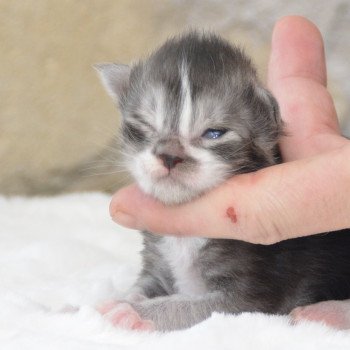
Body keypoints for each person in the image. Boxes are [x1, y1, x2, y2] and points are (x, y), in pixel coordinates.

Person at [109, 16, 350, 328]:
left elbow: (243, 302)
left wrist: (142, 316)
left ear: (265, 129)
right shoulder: (158, 218)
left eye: (213, 133)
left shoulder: (261, 223)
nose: (169, 154)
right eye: (145, 126)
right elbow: (158, 279)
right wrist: (131, 303)